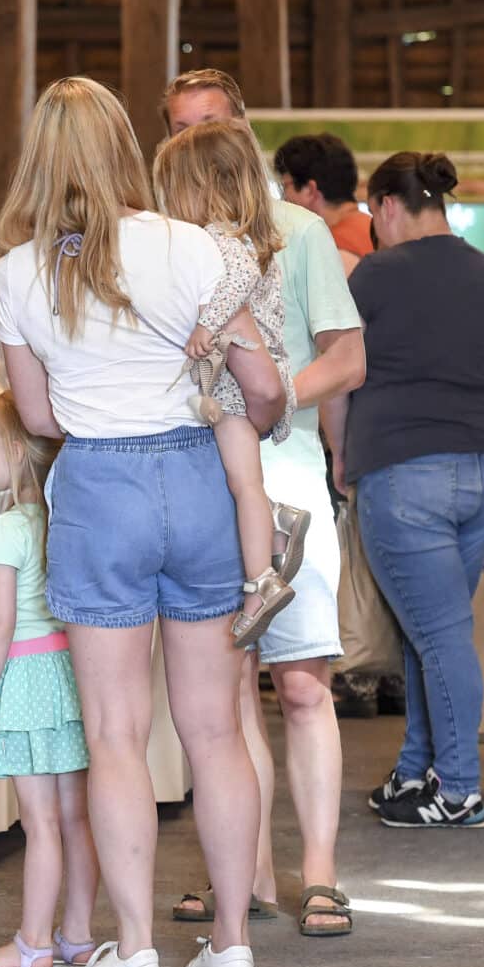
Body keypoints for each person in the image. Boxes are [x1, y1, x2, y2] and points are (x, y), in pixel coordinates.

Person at [0, 76, 285, 967]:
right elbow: (262, 380)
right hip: (200, 476)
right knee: (215, 728)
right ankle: (232, 945)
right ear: (128, 144)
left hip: (100, 486)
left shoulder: (18, 270)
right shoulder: (192, 247)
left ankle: (134, 950)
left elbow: (37, 414)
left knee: (117, 735)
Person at [159, 69, 364, 936]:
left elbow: (348, 358)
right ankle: (241, 870)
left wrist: (277, 387)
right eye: (179, 126)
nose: (198, 137)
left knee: (305, 683)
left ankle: (317, 867)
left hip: (282, 476)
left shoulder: (300, 231)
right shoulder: (161, 235)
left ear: (243, 124)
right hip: (192, 470)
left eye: (210, 121)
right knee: (224, 693)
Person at [331, 151, 484, 830]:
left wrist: (340, 455)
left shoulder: (373, 276)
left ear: (388, 205)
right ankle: (415, 767)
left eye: (371, 214)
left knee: (442, 632)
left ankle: (458, 789)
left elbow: (342, 372)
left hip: (407, 470)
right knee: (434, 626)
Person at [0, 392, 100, 967]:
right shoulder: (66, 518)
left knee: (37, 826)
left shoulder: (6, 528)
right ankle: (78, 937)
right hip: (71, 675)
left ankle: (33, 945)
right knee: (77, 821)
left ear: (14, 451)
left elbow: (0, 622)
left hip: (28, 682)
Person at [153, 121, 313, 650]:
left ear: (202, 186)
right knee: (242, 481)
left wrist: (205, 325)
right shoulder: (240, 237)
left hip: (237, 390)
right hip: (249, 384)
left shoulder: (222, 241)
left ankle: (260, 583)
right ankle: (276, 524)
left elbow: (239, 280)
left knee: (243, 483)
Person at [275, 132, 373, 273]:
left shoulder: (330, 247)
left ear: (310, 189)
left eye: (285, 185)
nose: (283, 198)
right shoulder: (374, 230)